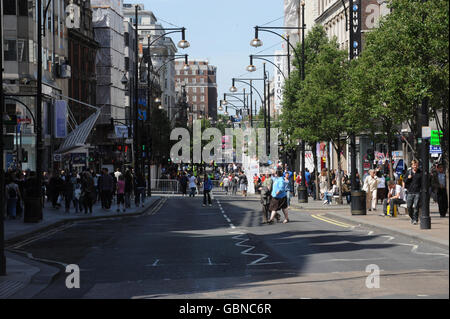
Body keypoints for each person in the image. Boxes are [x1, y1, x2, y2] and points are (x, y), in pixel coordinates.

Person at [404, 159, 422, 225]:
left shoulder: (420, 172)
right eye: (413, 165)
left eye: (416, 165)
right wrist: (408, 178)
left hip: (417, 192)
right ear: (411, 165)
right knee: (409, 206)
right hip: (410, 192)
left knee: (416, 206)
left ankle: (415, 219)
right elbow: (405, 181)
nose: (415, 166)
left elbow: (423, 182)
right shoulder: (408, 172)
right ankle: (412, 217)